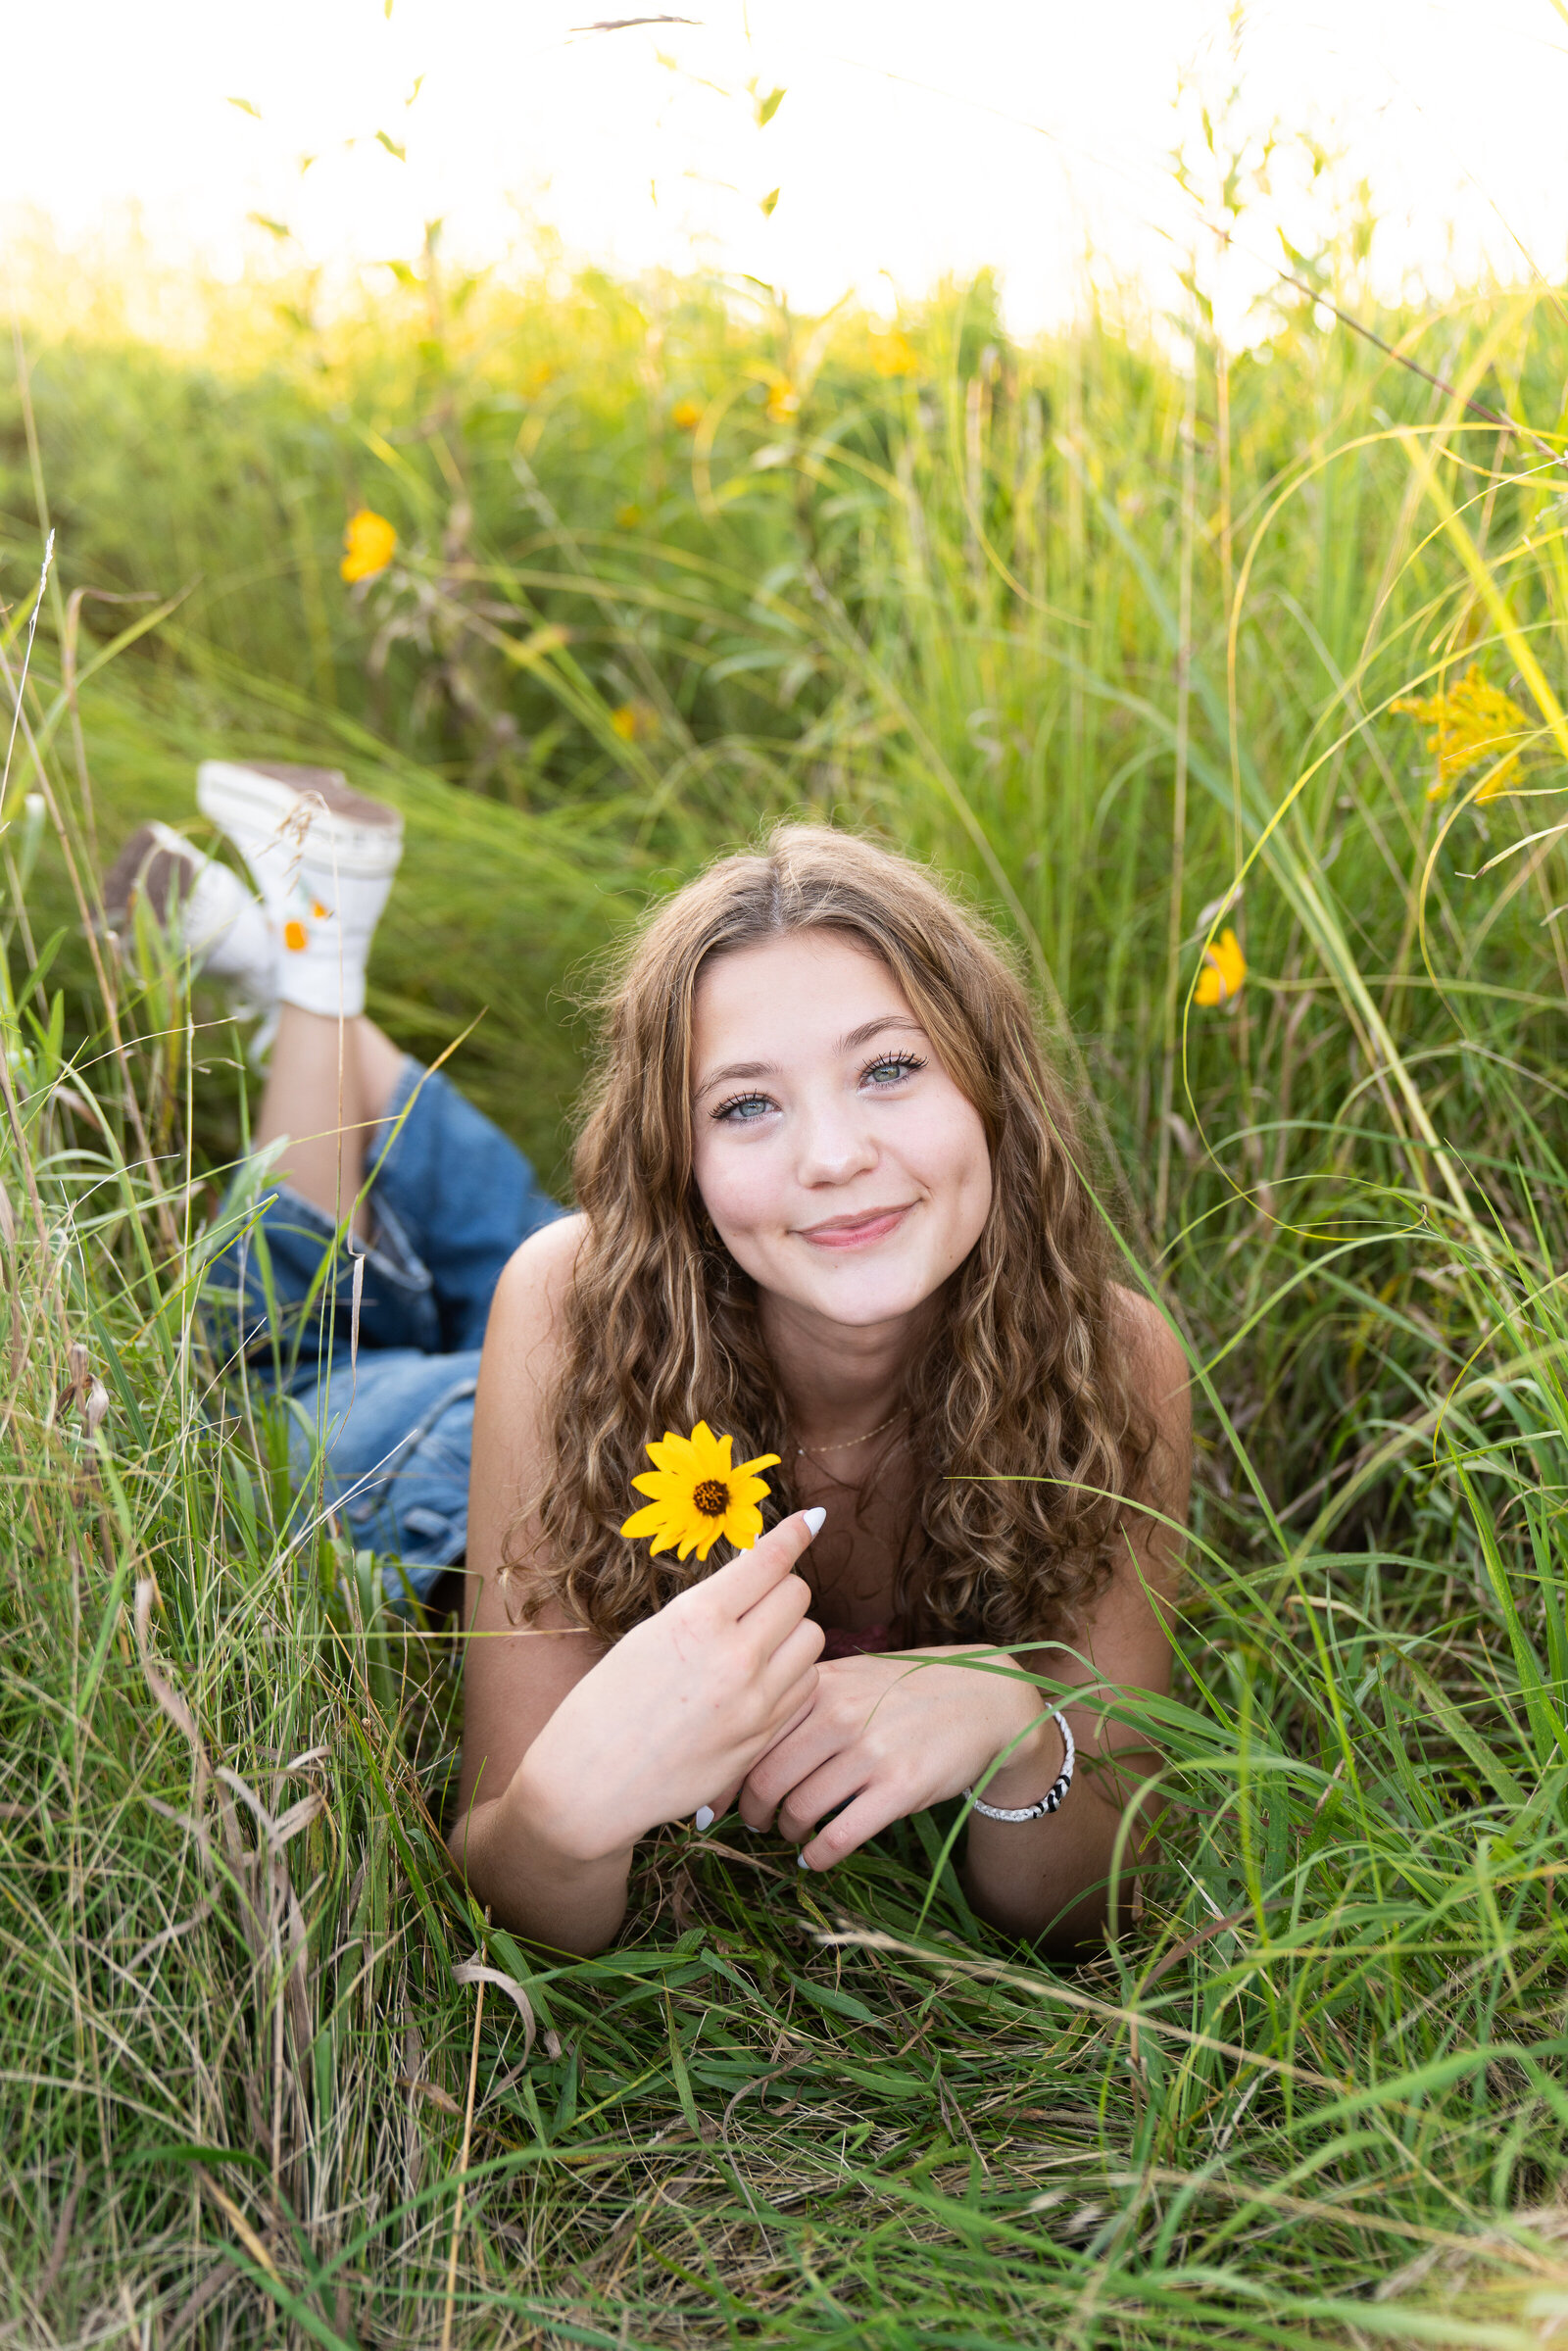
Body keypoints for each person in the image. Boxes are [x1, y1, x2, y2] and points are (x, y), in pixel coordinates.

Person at [451, 826, 1190, 1958]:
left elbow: (1097, 1901)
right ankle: (323, 1001)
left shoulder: (1112, 1362)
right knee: (312, 1320)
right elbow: (507, 1883)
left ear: (990, 1088)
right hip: (425, 1449)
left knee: (448, 1220)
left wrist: (1018, 1732)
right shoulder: (564, 1308)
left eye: (888, 1068)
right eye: (746, 1103)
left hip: (722, 1265)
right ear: (675, 1156)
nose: (834, 1154)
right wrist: (564, 1808)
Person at [101, 760, 564, 1599]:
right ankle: (318, 965)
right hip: (596, 1395)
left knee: (264, 1396)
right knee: (287, 1367)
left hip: (588, 1403)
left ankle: (303, 979)